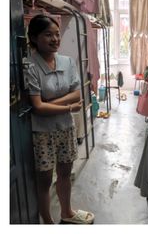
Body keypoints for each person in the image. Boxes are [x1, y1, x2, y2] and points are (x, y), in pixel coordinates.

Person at [25, 13, 95, 224]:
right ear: (34, 37)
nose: (55, 39)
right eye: (48, 35)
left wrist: (49, 103)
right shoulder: (30, 66)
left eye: (57, 34)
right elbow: (37, 108)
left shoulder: (67, 62)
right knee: (44, 180)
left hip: (65, 127)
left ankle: (67, 213)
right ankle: (47, 222)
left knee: (65, 172)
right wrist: (68, 107)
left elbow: (76, 94)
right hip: (42, 133)